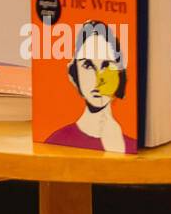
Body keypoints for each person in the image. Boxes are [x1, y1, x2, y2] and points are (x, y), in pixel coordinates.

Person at [45, 21, 137, 154]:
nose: (97, 80)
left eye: (106, 65)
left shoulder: (133, 147)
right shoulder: (55, 143)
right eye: (88, 65)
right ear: (74, 73)